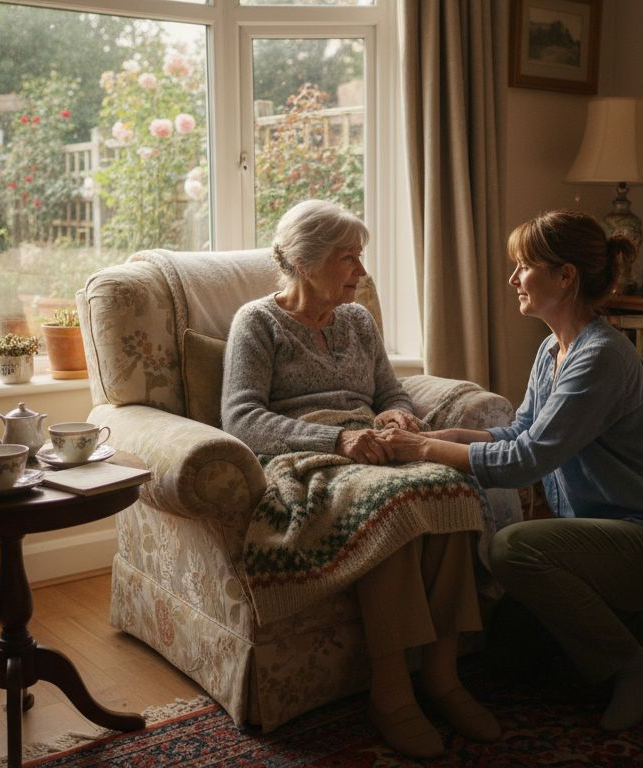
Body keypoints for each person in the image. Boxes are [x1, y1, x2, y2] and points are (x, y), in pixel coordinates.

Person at [376, 210, 643, 731]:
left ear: (566, 276)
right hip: (615, 535)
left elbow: (526, 462)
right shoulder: (551, 349)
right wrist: (432, 438)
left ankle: (635, 668)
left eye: (524, 266)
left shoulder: (600, 357)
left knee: (509, 548)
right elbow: (518, 435)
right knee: (511, 657)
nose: (513, 279)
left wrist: (420, 451)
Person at [221, 200, 499, 758]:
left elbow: (389, 392)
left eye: (361, 257)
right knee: (392, 503)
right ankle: (392, 694)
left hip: (374, 446)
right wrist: (336, 439)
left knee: (452, 489)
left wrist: (395, 415)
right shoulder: (257, 322)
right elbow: (241, 418)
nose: (362, 272)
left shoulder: (357, 320)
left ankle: (442, 679)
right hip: (309, 457)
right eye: (349, 258)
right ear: (305, 261)